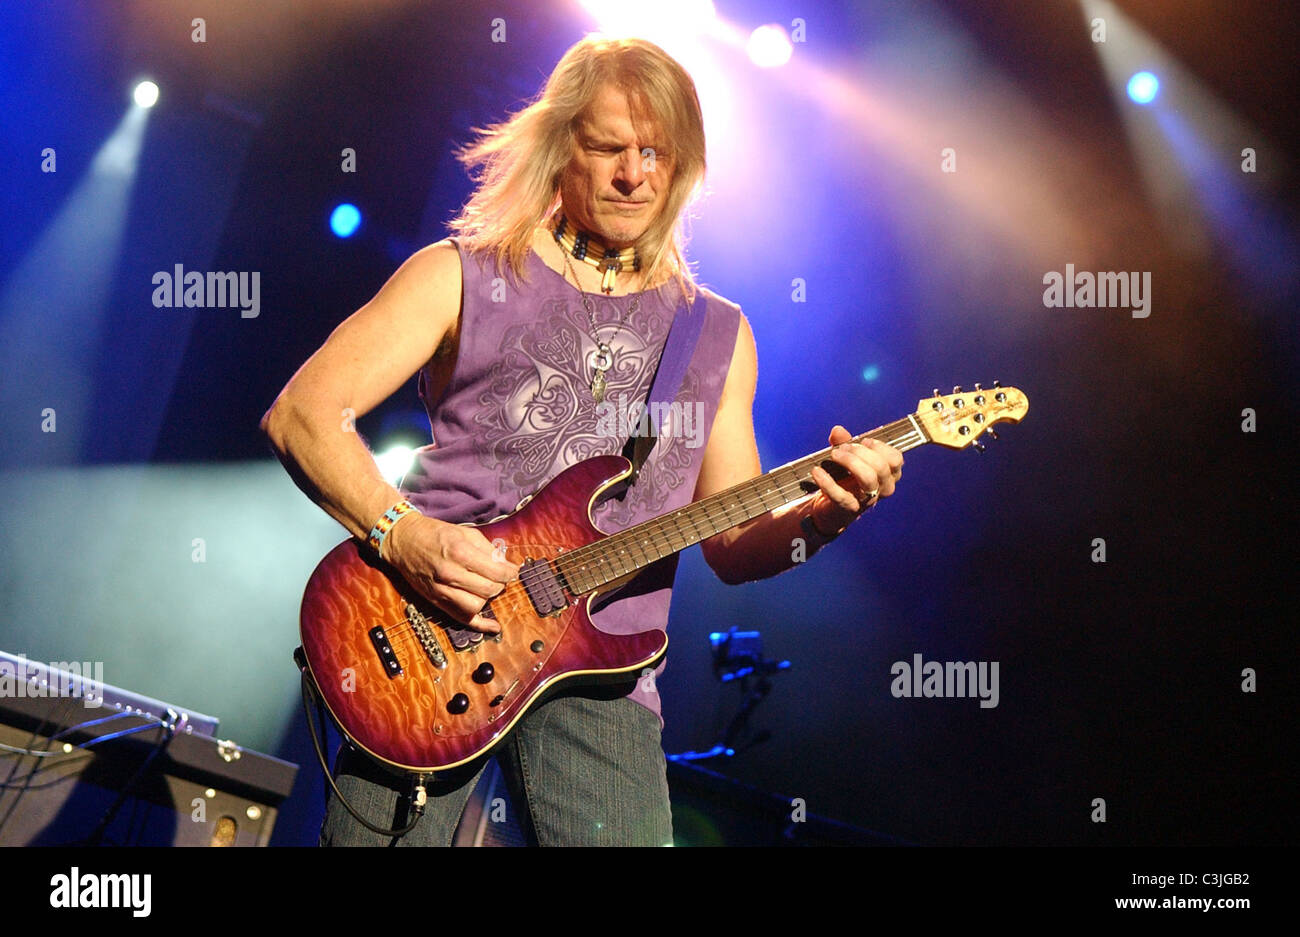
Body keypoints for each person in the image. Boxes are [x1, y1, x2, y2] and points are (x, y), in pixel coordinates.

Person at [261, 36, 903, 846]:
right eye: (608, 149)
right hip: (423, 639)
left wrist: (824, 514)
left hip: (605, 672)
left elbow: (735, 544)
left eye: (656, 153)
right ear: (560, 148)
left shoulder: (719, 335)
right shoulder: (460, 272)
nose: (634, 174)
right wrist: (405, 534)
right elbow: (303, 413)